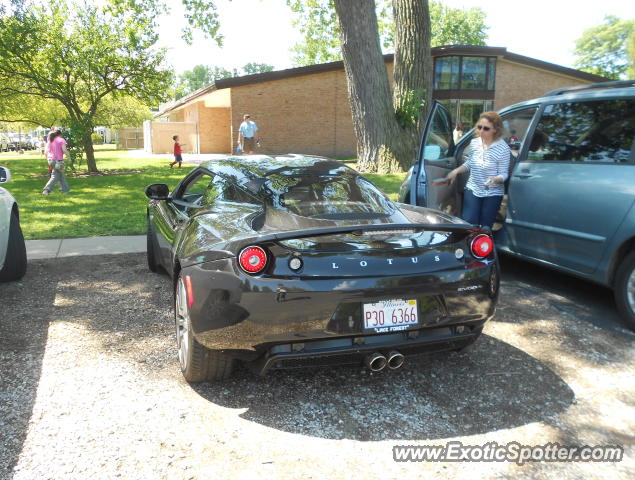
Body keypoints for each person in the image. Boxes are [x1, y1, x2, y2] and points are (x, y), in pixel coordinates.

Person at [444, 111, 510, 229]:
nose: (481, 131)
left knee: (485, 227)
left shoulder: (503, 148)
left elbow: (504, 173)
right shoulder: (474, 143)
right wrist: (456, 171)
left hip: (493, 192)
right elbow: (470, 163)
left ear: (495, 130)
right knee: (469, 224)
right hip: (473, 188)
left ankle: (484, 246)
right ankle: (467, 247)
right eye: (479, 127)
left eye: (486, 128)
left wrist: (495, 179)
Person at [42, 130, 70, 195]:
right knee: (56, 176)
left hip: (50, 160)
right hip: (58, 161)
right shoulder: (61, 140)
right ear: (60, 134)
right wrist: (69, 157)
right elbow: (64, 150)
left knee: (59, 175)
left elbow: (45, 152)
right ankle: (46, 189)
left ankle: (65, 190)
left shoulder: (50, 140)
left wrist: (48, 160)